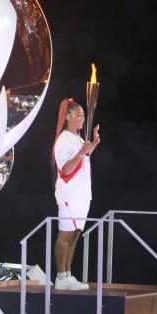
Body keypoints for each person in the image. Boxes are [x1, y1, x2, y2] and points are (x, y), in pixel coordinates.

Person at [51, 97, 100, 290]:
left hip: (81, 194)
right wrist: (81, 153)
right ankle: (60, 277)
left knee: (74, 235)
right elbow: (65, 169)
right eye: (79, 114)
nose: (82, 118)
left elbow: (84, 158)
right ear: (68, 116)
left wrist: (93, 144)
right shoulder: (63, 140)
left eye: (83, 115)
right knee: (65, 235)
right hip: (68, 194)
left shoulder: (78, 138)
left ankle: (68, 275)